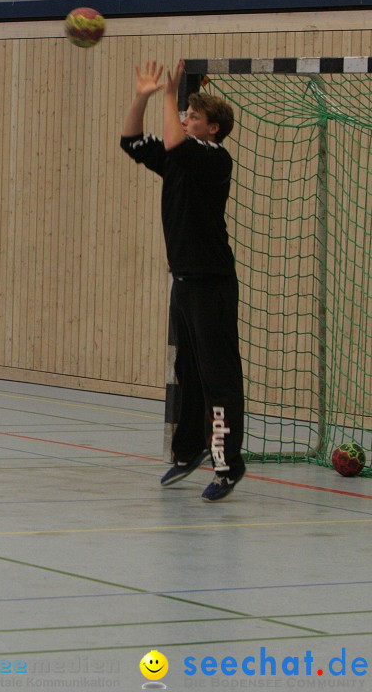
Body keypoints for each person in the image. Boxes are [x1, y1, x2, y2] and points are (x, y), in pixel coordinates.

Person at [120, 60, 246, 502]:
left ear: (213, 128)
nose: (187, 119)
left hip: (212, 283)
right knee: (187, 371)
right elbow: (131, 140)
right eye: (186, 114)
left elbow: (174, 139)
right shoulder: (178, 157)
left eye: (195, 116)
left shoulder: (212, 157)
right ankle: (190, 449)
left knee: (218, 376)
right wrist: (142, 96)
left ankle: (227, 466)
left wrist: (173, 100)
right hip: (185, 282)